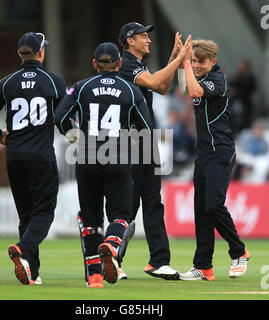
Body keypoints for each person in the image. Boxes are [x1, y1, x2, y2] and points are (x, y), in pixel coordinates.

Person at [55, 42, 152, 288]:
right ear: (120, 63)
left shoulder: (81, 87)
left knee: (90, 220)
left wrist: (75, 138)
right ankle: (112, 243)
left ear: (95, 64)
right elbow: (146, 129)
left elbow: (60, 117)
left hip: (87, 156)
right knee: (120, 215)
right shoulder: (131, 90)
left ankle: (95, 277)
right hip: (118, 157)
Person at [0, 32, 66, 286]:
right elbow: (63, 117)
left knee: (26, 215)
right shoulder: (53, 82)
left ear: (20, 54)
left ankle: (32, 272)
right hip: (41, 156)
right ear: (41, 52)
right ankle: (23, 248)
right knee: (45, 212)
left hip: (14, 156)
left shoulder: (7, 82)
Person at [117, 22, 190, 280]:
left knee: (152, 202)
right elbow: (158, 83)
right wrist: (179, 59)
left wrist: (173, 59)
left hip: (145, 141)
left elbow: (161, 86)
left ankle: (159, 260)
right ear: (129, 40)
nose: (148, 40)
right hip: (131, 141)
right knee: (128, 205)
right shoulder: (125, 64)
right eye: (143, 36)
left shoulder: (139, 65)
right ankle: (113, 259)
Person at [178, 36, 249, 281]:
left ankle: (239, 252)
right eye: (194, 61)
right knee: (201, 210)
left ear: (213, 61)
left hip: (222, 151)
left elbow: (194, 90)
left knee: (213, 205)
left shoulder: (217, 79)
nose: (197, 65)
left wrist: (185, 62)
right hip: (204, 153)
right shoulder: (198, 76)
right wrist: (180, 58)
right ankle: (203, 266)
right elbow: (184, 88)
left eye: (201, 62)